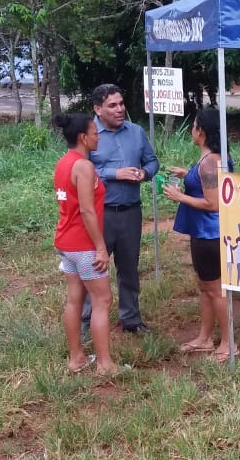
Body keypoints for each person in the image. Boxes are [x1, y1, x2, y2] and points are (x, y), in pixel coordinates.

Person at [83, 84, 159, 334]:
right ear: (97, 109)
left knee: (129, 268)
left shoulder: (136, 132)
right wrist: (116, 173)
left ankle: (131, 320)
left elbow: (152, 160)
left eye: (121, 103)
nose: (120, 109)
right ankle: (87, 321)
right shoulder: (88, 134)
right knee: (94, 268)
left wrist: (144, 173)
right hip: (100, 214)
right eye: (112, 105)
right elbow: (82, 171)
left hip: (130, 211)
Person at [164, 108, 237, 364]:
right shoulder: (213, 158)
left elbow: (213, 203)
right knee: (205, 286)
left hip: (210, 233)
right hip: (204, 232)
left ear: (201, 131)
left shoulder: (210, 162)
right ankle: (205, 338)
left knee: (216, 289)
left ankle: (228, 344)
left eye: (193, 125)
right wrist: (188, 175)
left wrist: (179, 196)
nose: (191, 130)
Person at [53, 113, 118, 375]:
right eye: (94, 132)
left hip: (66, 242)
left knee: (74, 299)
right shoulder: (84, 167)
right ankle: (105, 364)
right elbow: (87, 212)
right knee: (102, 300)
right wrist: (100, 248)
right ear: (83, 137)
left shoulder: (63, 163)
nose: (97, 136)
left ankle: (76, 357)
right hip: (83, 245)